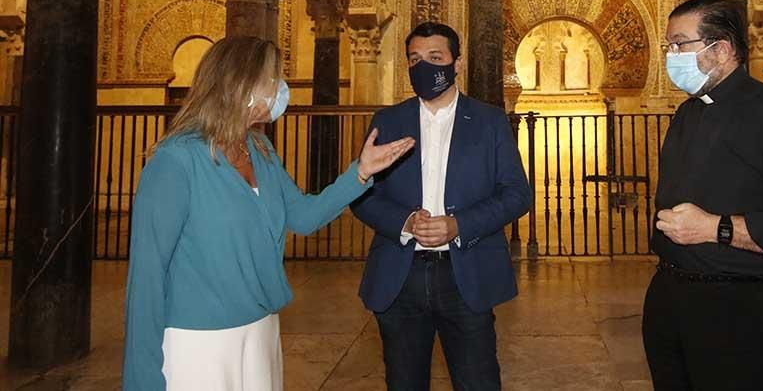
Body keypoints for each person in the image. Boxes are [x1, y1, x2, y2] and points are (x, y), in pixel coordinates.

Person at [122, 37, 414, 391]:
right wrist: (143, 378)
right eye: (273, 78)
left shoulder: (260, 150)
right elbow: (147, 276)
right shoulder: (176, 161)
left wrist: (361, 173)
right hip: (198, 340)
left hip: (261, 329)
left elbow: (303, 216)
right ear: (241, 83)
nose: (281, 89)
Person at [642, 0, 763, 391]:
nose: (672, 56)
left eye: (681, 44)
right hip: (673, 298)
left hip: (745, 309)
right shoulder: (688, 113)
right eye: (669, 47)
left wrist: (716, 229)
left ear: (723, 49)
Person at [351, 21, 531, 391]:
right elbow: (362, 194)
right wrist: (404, 222)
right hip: (401, 278)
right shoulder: (388, 121)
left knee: (477, 381)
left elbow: (516, 194)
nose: (424, 67)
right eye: (415, 59)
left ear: (456, 64)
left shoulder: (489, 121)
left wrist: (458, 224)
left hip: (466, 275)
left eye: (435, 58)